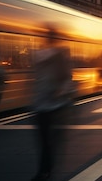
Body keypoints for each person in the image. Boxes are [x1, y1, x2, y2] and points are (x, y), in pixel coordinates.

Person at [31, 28, 74, 181]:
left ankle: (44, 170)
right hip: (42, 104)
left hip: (54, 105)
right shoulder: (39, 55)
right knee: (46, 141)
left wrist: (60, 92)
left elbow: (67, 78)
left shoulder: (58, 55)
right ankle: (45, 169)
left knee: (47, 141)